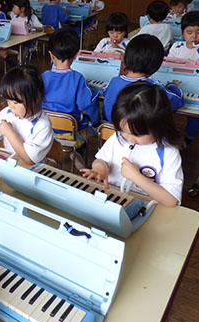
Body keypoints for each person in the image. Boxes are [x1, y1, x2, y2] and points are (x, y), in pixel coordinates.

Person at [81, 82, 183, 213]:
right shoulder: (119, 137)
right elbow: (101, 159)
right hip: (112, 200)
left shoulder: (168, 152)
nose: (128, 138)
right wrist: (99, 167)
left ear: (158, 127)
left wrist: (136, 177)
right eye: (122, 130)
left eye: (136, 134)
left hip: (144, 208)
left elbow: (171, 200)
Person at [102, 35, 183, 123]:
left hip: (110, 129)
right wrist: (172, 85)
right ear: (155, 65)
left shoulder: (114, 81)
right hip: (139, 130)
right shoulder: (154, 88)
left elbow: (105, 90)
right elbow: (177, 101)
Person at [42, 28, 100, 133]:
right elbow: (84, 104)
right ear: (76, 55)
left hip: (46, 126)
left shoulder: (44, 76)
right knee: (93, 98)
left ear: (51, 55)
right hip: (70, 128)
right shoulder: (78, 78)